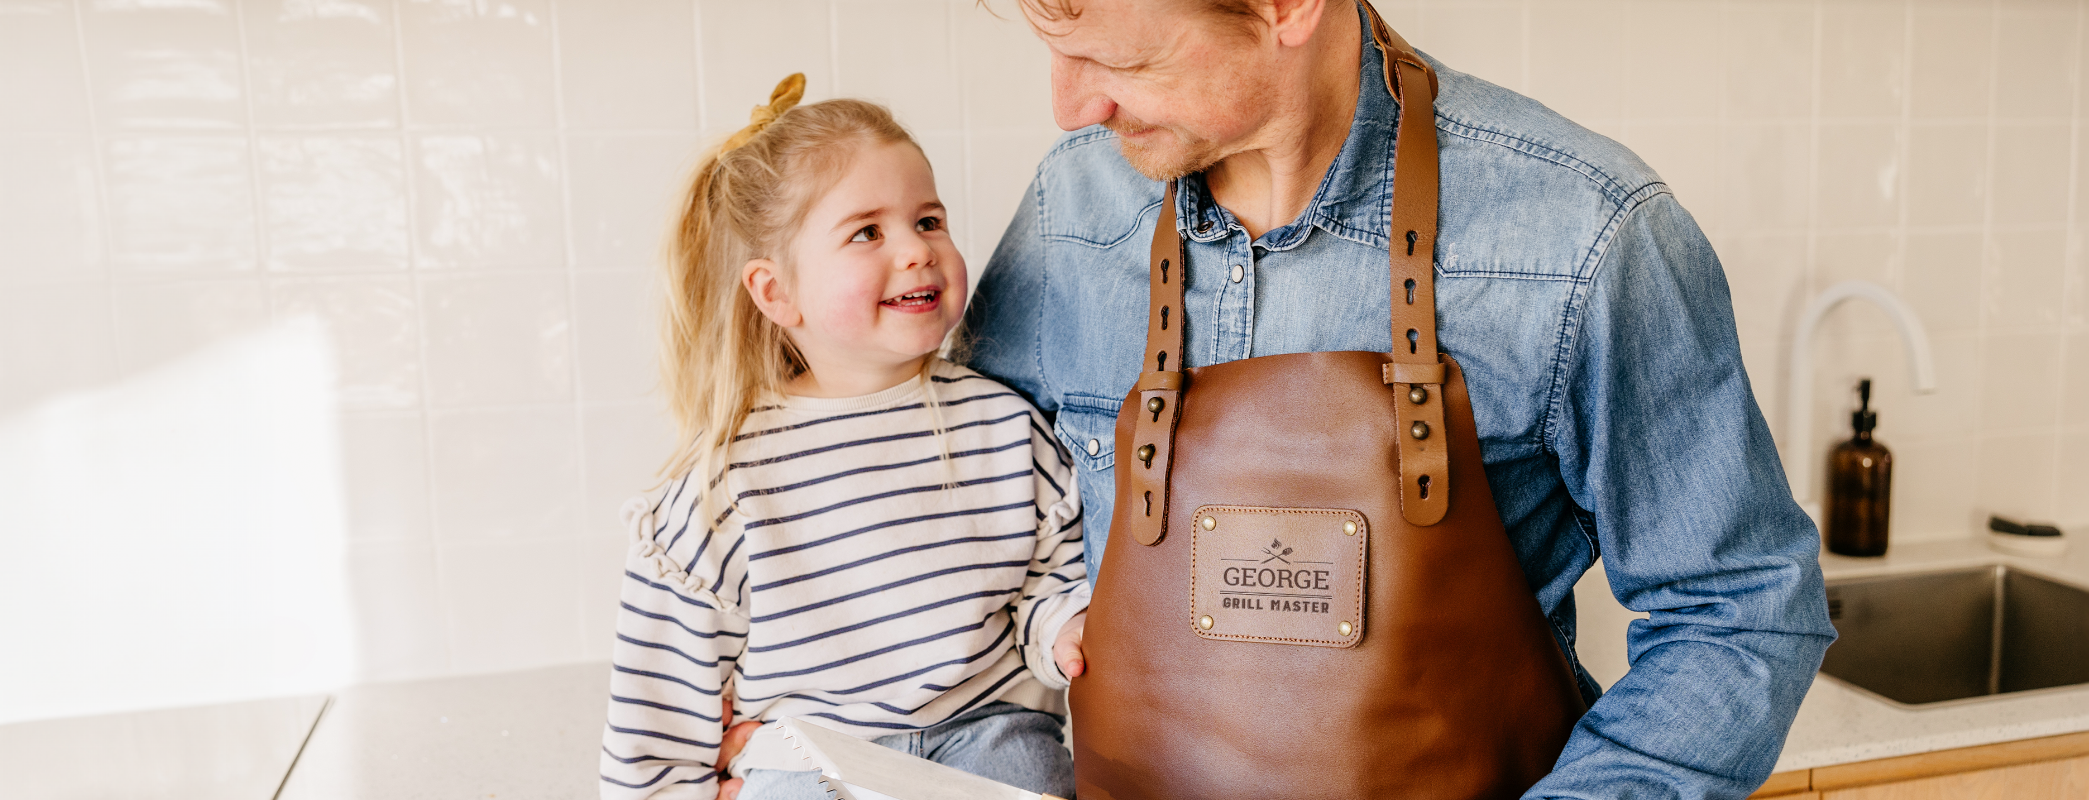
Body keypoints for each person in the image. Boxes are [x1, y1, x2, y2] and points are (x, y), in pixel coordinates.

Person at [962, 0, 1836, 797]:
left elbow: (1739, 606)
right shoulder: (1069, 207)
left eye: (1126, 64)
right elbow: (972, 529)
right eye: (1055, 54)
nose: (1072, 107)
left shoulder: (1587, 232)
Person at [597, 74, 1090, 800]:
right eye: (868, 232)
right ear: (776, 293)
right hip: (811, 756)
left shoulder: (1005, 425)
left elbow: (1049, 579)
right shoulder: (728, 483)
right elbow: (659, 707)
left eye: (929, 221)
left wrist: (1061, 630)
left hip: (984, 732)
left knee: (1030, 772)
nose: (918, 250)